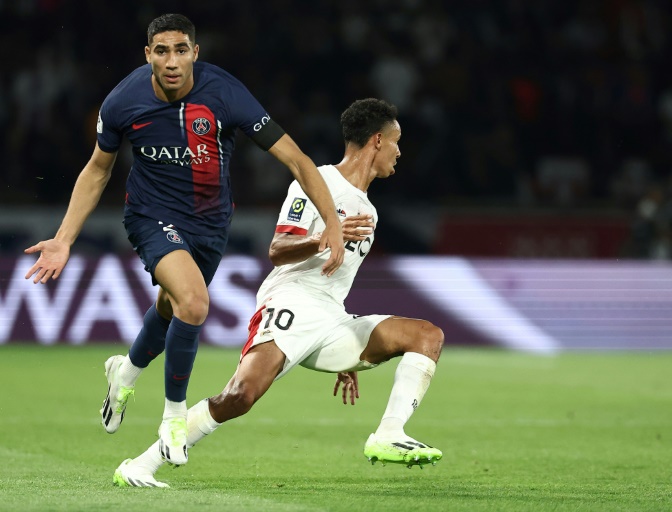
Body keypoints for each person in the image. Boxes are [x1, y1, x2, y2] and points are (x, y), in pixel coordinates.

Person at [22, 13, 344, 466]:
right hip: (150, 215)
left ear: (195, 52)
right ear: (147, 55)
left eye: (180, 50)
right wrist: (64, 238)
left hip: (210, 225)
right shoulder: (122, 102)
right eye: (161, 51)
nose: (171, 61)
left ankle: (124, 372)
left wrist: (331, 220)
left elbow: (296, 160)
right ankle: (174, 417)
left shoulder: (225, 93)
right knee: (193, 302)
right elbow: (97, 169)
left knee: (171, 307)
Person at [112, 98, 444, 488]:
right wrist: (324, 236)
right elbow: (278, 250)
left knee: (426, 335)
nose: (399, 152)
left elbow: (334, 279)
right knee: (241, 395)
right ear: (376, 140)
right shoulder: (317, 182)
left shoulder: (368, 211)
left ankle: (389, 433)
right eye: (396, 142)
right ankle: (141, 464)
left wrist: (348, 353)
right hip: (292, 300)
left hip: (332, 316)